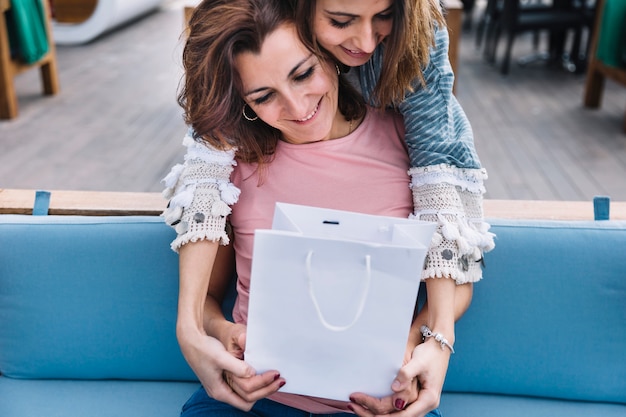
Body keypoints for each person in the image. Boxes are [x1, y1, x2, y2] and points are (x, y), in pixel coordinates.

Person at [163, 0, 494, 415]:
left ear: (326, 54)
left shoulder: (412, 147)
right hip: (255, 403)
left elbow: (454, 263)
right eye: (264, 96)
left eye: (303, 74)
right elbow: (209, 296)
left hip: (381, 405)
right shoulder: (232, 164)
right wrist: (216, 329)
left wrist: (424, 343)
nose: (299, 109)